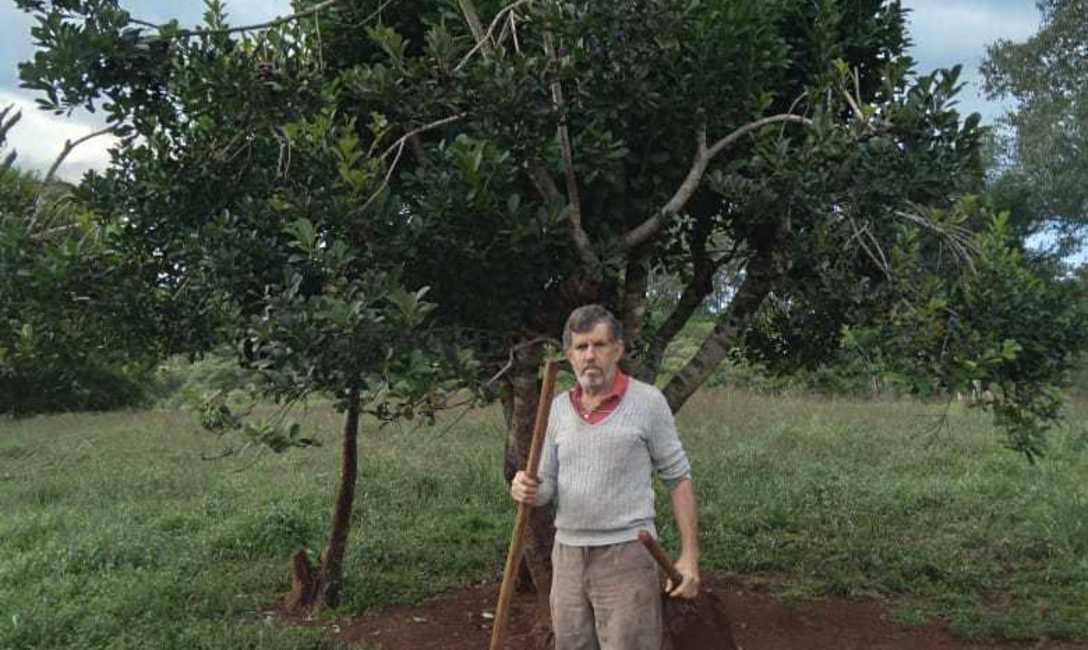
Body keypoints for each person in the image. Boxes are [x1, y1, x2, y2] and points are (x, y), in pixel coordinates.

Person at [511, 304, 700, 650]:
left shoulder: (647, 402)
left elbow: (679, 479)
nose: (590, 356)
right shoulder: (556, 409)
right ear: (569, 355)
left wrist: (689, 557)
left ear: (618, 349)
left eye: (599, 345)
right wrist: (527, 487)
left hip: (626, 554)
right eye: (581, 347)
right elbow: (546, 487)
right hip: (567, 556)